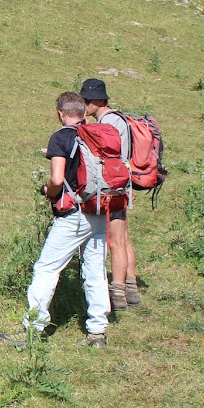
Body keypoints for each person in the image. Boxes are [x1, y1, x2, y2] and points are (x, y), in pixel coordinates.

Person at [0, 92, 111, 349]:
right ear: (83, 111)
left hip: (74, 215)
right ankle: (97, 331)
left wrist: (46, 190)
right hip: (100, 209)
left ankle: (32, 328)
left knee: (46, 268)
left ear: (61, 113)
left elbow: (57, 180)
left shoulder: (61, 137)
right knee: (95, 271)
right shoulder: (97, 134)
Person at [81, 77, 141, 310]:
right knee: (123, 238)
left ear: (98, 100)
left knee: (115, 241)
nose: (84, 105)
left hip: (112, 186)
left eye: (87, 100)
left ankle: (117, 294)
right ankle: (131, 287)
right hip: (122, 183)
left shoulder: (108, 122)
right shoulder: (120, 119)